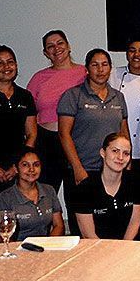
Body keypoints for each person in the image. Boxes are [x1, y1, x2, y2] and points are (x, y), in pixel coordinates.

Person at [57, 48, 128, 233]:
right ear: (87, 69)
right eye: (95, 65)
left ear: (110, 68)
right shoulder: (73, 96)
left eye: (104, 64)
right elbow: (64, 134)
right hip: (82, 171)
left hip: (111, 172)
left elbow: (124, 133)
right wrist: (77, 168)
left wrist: (126, 164)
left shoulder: (118, 97)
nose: (100, 69)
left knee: (110, 226)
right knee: (81, 230)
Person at [0, 45, 38, 229]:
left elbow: (32, 133)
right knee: (0, 219)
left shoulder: (25, 96)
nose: (6, 66)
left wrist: (18, 166)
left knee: (17, 220)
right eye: (0, 63)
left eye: (10, 62)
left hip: (17, 168)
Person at [26, 30, 87, 192]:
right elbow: (27, 112)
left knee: (77, 194)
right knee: (44, 193)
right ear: (46, 53)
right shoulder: (38, 78)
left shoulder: (85, 73)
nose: (56, 48)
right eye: (50, 46)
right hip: (46, 143)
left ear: (68, 46)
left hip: (76, 140)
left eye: (60, 43)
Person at [72, 134, 140, 240]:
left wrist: (124, 250)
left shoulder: (136, 184)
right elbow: (89, 235)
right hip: (96, 249)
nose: (120, 157)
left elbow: (134, 223)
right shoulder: (84, 190)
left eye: (126, 153)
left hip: (128, 247)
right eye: (115, 151)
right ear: (103, 152)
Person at [0, 148, 64, 241]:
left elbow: (59, 225)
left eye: (36, 165)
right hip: (18, 250)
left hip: (45, 248)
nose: (32, 169)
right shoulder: (5, 198)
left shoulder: (49, 190)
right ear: (16, 169)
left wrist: (47, 246)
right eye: (25, 165)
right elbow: (3, 236)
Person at [109, 39, 140, 168]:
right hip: (117, 145)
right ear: (127, 54)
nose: (136, 55)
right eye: (132, 51)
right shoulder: (113, 74)